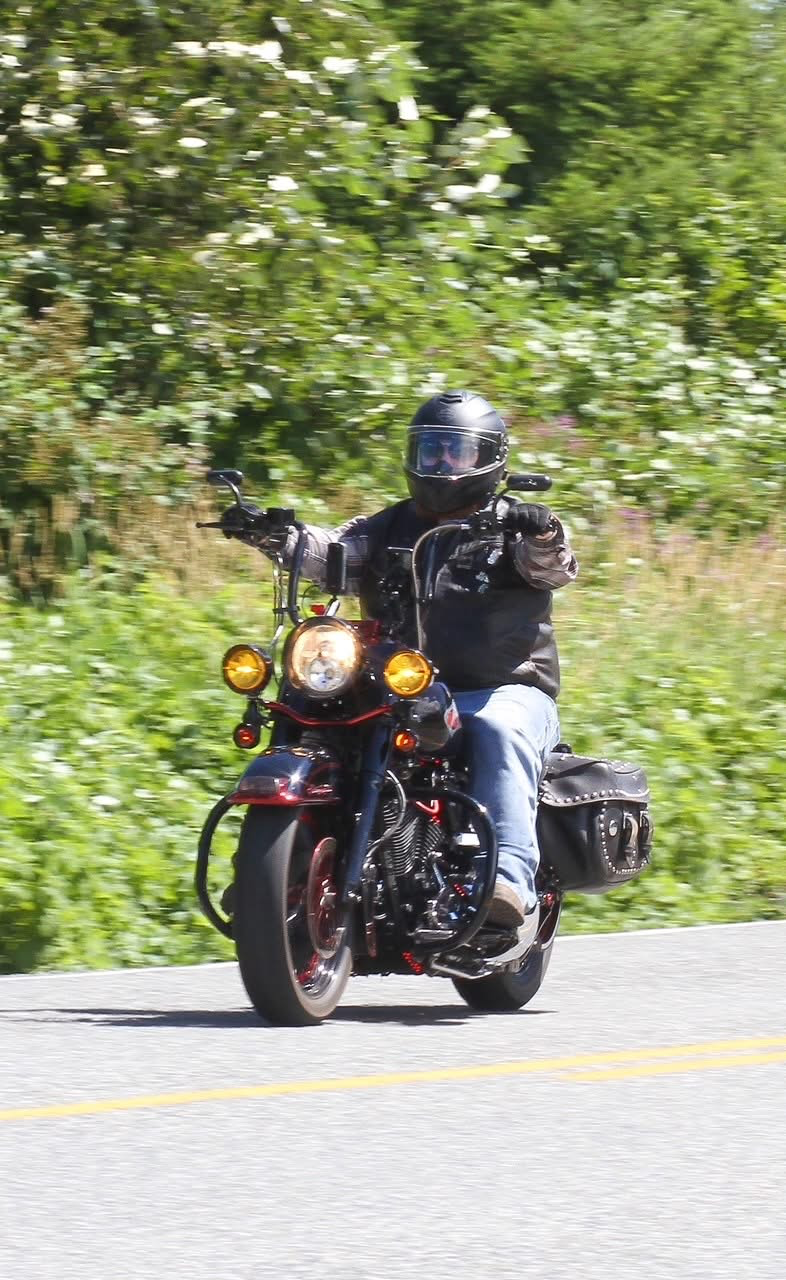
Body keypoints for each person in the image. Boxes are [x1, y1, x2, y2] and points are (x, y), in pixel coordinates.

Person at [237, 390, 578, 937]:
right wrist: (278, 536)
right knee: (310, 707)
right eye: (430, 451)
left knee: (497, 730)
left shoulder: (511, 529)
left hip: (500, 690)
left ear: (489, 459)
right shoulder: (387, 527)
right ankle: (276, 869)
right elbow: (332, 554)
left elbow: (554, 567)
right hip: (398, 687)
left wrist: (541, 532)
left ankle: (507, 882)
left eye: (455, 452)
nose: (440, 464)